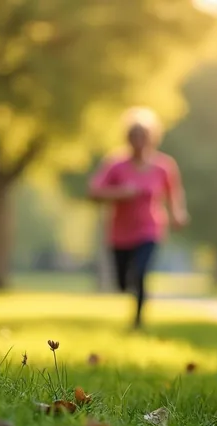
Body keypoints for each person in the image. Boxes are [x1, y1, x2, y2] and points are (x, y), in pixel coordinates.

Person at [88, 107, 189, 330]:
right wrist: (121, 193)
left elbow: (174, 195)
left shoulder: (164, 166)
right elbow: (94, 191)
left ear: (152, 138)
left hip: (149, 229)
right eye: (134, 136)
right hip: (119, 233)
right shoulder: (115, 165)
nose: (138, 141)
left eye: (143, 136)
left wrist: (178, 215)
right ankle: (130, 297)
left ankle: (137, 321)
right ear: (127, 139)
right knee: (123, 282)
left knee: (140, 272)